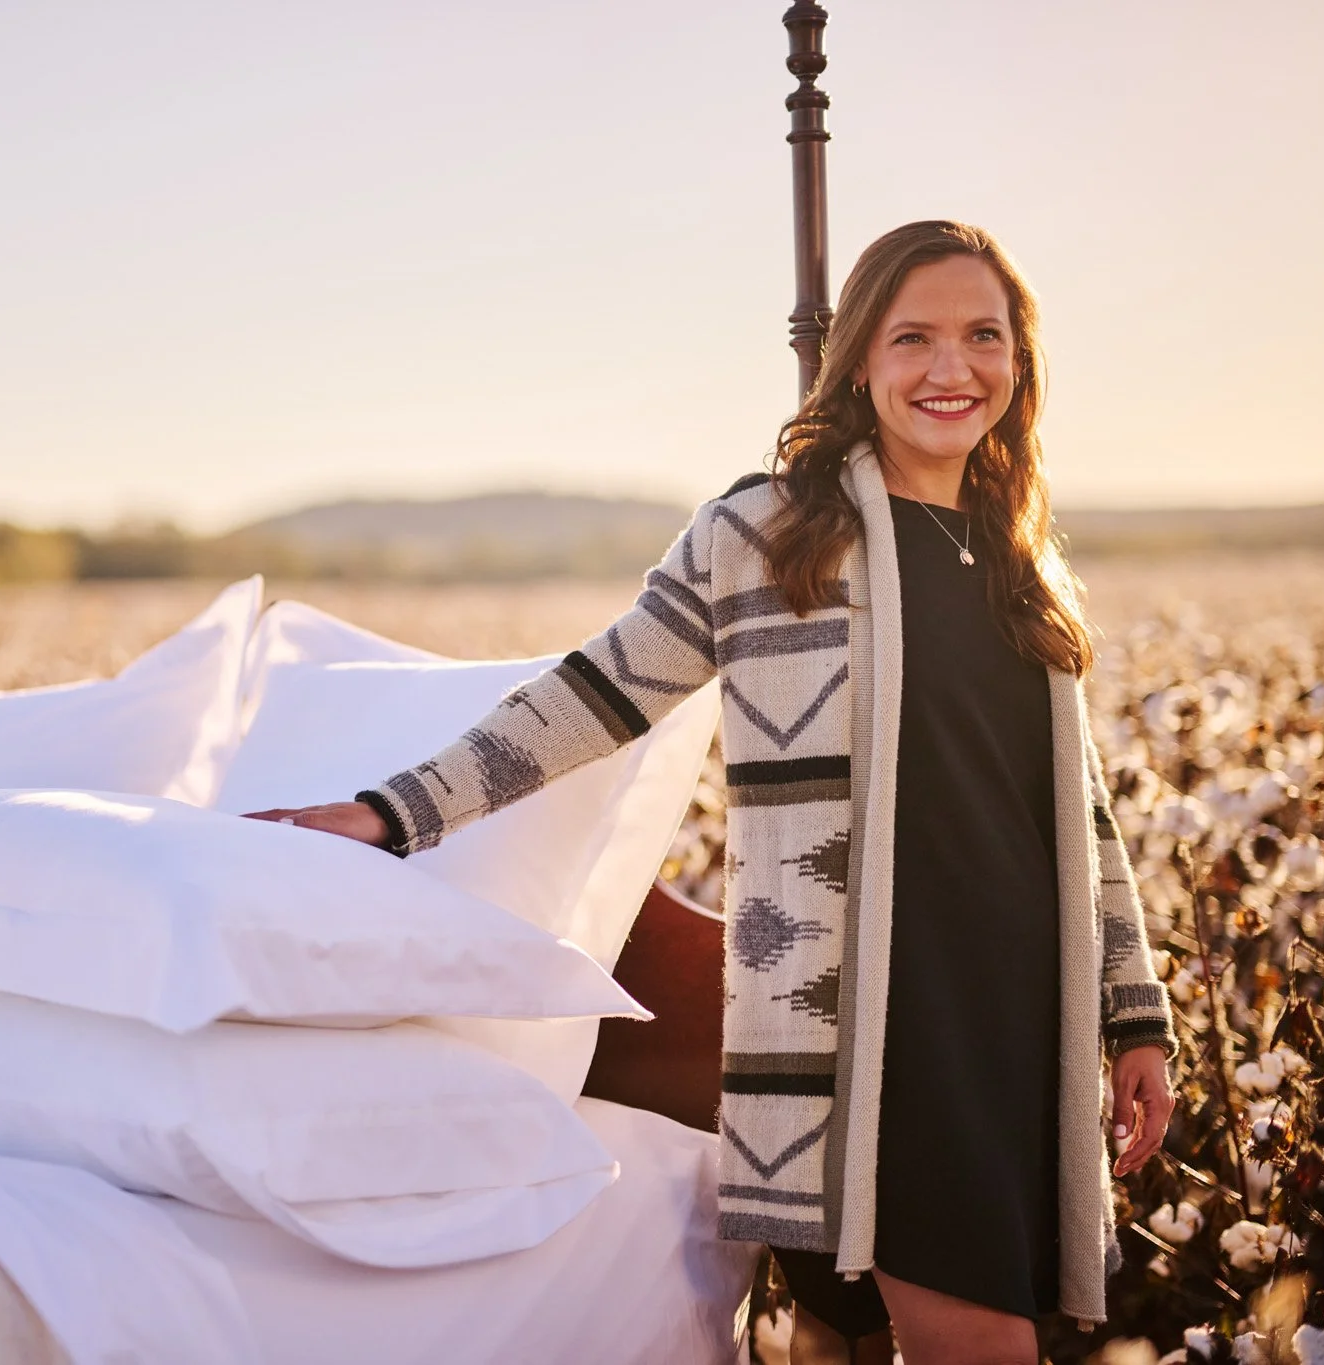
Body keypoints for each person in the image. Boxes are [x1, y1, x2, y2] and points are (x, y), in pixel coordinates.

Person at [246, 219, 1177, 1365]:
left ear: (1018, 361)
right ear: (858, 361)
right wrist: (394, 812)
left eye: (982, 336)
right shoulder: (768, 531)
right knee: (978, 1344)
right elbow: (596, 693)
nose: (950, 369)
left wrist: (1133, 1015)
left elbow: (1080, 816)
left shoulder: (1021, 555)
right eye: (912, 338)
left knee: (856, 1342)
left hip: (1014, 1023)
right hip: (866, 1026)